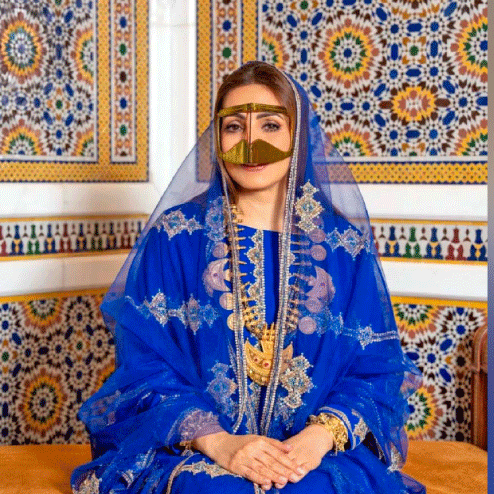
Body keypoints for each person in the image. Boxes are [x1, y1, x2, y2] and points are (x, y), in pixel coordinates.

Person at [71, 61, 424, 494]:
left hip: (310, 457)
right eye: (234, 127)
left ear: (299, 137)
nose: (251, 144)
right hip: (202, 453)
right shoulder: (176, 236)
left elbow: (375, 369)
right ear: (218, 140)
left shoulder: (344, 248)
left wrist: (316, 440)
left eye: (271, 125)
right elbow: (144, 367)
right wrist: (219, 444)